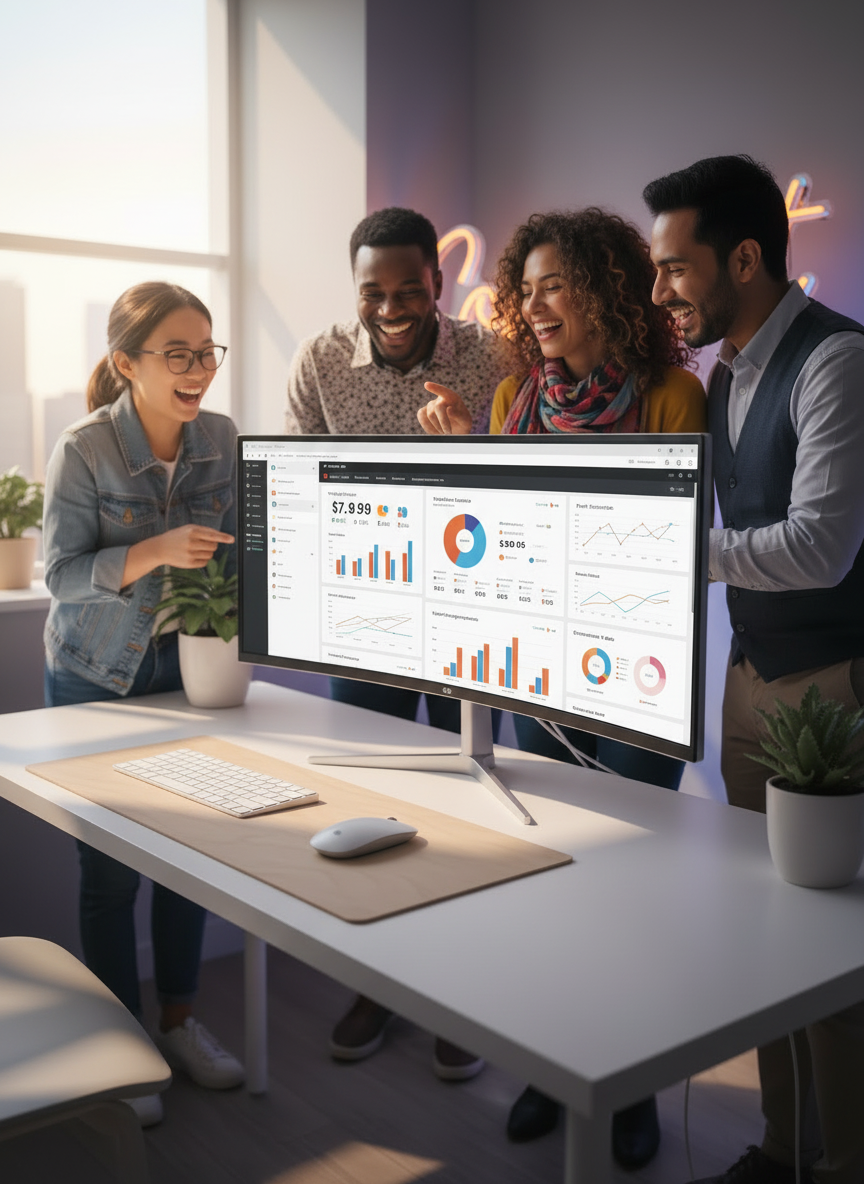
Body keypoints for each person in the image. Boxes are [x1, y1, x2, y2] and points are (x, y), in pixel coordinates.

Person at [419, 207, 706, 1169]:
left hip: (636, 674)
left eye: (554, 284)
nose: (533, 304)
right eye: (525, 286)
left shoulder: (670, 396)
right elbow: (499, 533)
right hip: (534, 669)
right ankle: (553, 1067)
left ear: (606, 291)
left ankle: (633, 1088)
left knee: (630, 887)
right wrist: (469, 451)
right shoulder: (510, 401)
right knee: (548, 875)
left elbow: (669, 548)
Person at [645, 154, 864, 1184]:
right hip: (749, 675)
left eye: (674, 268)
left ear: (745, 255)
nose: (661, 293)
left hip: (835, 685)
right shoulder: (724, 369)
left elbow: (820, 546)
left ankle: (844, 1157)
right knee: (764, 934)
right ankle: (781, 1144)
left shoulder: (837, 364)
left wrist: (673, 550)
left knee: (830, 947)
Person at [285, 207, 508, 1078]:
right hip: (367, 617)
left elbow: (527, 483)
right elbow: (300, 484)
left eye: (407, 288)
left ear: (437, 282)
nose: (390, 305)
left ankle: (466, 992)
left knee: (477, 803)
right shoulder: (320, 362)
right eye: (372, 290)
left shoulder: (494, 356)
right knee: (372, 801)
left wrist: (472, 448)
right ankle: (380, 979)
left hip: (474, 613)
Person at [43, 281, 245, 1127]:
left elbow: (240, 559)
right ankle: (124, 1046)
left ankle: (179, 1023)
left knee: (189, 858)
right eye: (178, 354)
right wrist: (155, 548)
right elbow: (59, 578)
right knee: (108, 872)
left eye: (207, 351)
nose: (199, 369)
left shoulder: (222, 439)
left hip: (185, 670)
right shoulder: (83, 449)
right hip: (95, 675)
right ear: (127, 363)